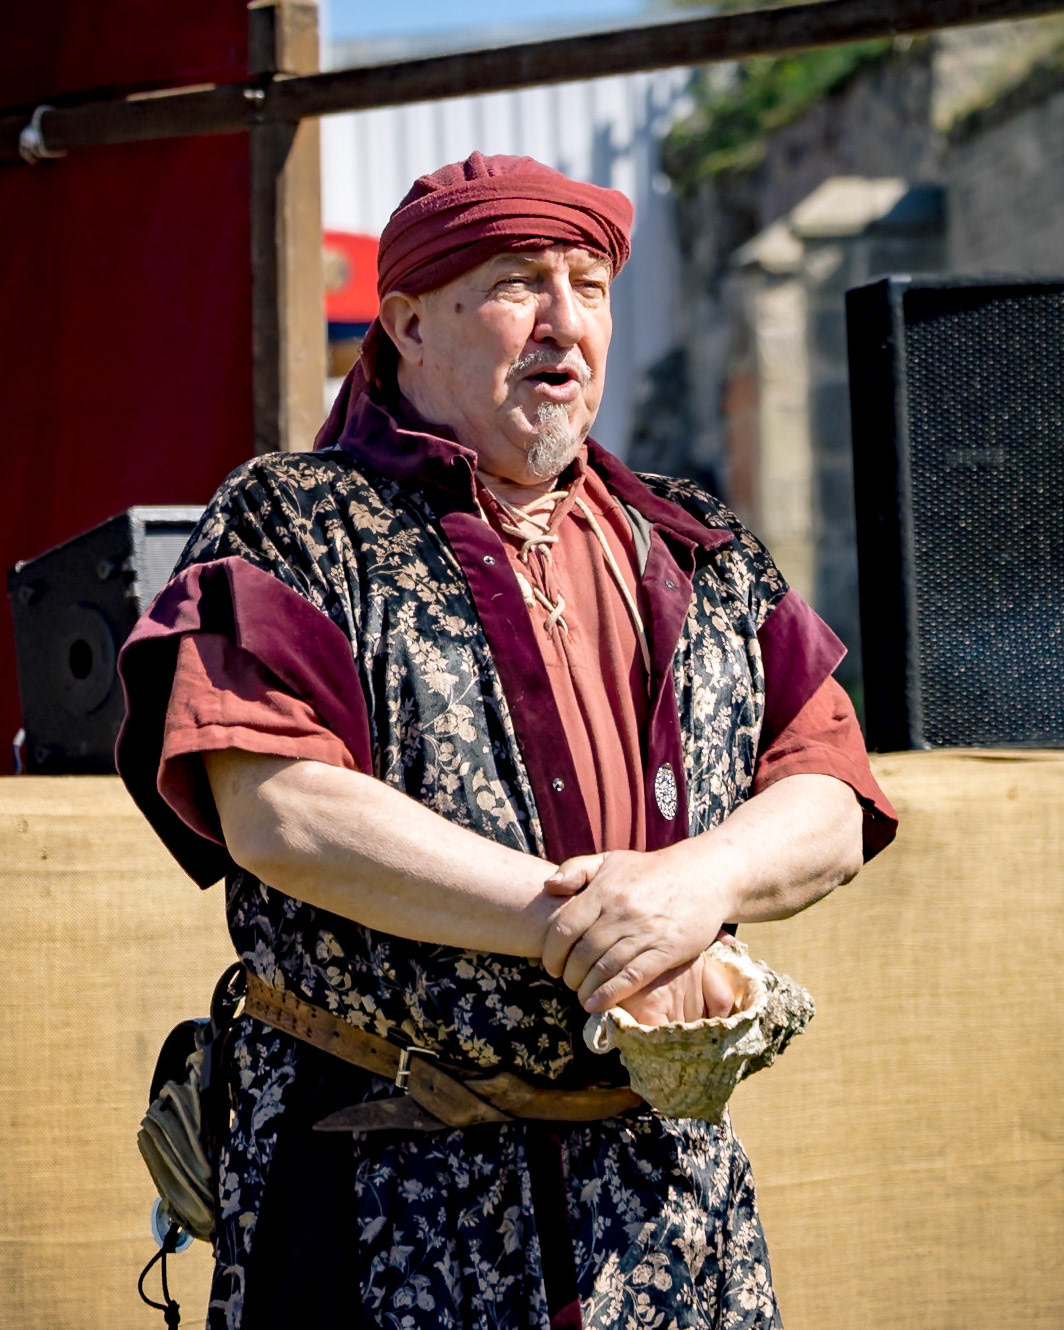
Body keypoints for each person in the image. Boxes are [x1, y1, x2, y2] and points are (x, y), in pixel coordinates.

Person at [117, 151, 897, 1330]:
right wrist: (575, 924)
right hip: (379, 1192)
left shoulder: (695, 543)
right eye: (517, 283)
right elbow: (278, 808)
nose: (563, 323)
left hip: (658, 1210)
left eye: (590, 286)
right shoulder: (294, 519)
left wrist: (696, 885)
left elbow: (829, 788)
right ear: (406, 324)